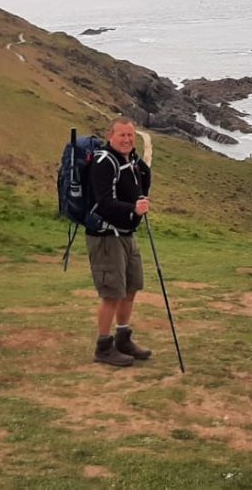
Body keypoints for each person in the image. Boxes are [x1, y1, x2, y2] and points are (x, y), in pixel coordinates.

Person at [87, 117, 153, 367]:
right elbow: (103, 203)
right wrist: (133, 209)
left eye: (130, 135)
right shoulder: (104, 162)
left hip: (126, 234)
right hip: (106, 236)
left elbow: (142, 185)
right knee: (111, 293)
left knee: (130, 288)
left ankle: (123, 339)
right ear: (110, 136)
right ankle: (103, 347)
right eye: (121, 135)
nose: (126, 139)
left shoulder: (131, 160)